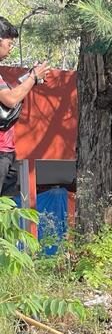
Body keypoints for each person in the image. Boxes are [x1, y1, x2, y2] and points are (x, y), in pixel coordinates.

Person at [0, 17, 50, 201]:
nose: (10, 48)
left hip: (6, 151)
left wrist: (28, 77)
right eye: (9, 43)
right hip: (0, 152)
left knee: (6, 211)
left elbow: (8, 94)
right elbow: (11, 99)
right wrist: (33, 78)